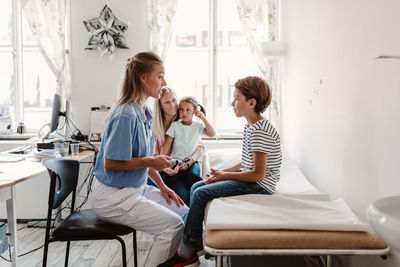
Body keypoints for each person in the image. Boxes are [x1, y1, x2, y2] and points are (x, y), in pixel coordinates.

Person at [158, 76, 282, 267]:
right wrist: (222, 172)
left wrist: (227, 176)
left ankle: (186, 254)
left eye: (236, 98)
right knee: (198, 186)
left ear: (251, 102)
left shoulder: (260, 130)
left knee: (200, 193)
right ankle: (196, 240)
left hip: (260, 185)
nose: (232, 103)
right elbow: (247, 162)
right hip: (252, 179)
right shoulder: (251, 126)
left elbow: (258, 174)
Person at [91, 52, 189, 267]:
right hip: (113, 197)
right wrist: (151, 162)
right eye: (160, 76)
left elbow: (144, 158)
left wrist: (162, 186)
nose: (164, 83)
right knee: (171, 226)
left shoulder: (144, 112)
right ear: (143, 78)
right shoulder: (125, 114)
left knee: (184, 212)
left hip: (134, 189)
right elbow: (112, 163)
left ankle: (180, 261)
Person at [150, 88, 206, 205]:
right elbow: (151, 160)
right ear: (160, 106)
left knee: (188, 192)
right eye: (167, 102)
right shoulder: (153, 128)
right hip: (160, 171)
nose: (172, 105)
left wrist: (190, 161)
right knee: (178, 194)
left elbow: (200, 147)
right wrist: (164, 168)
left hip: (182, 167)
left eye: (174, 100)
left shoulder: (184, 122)